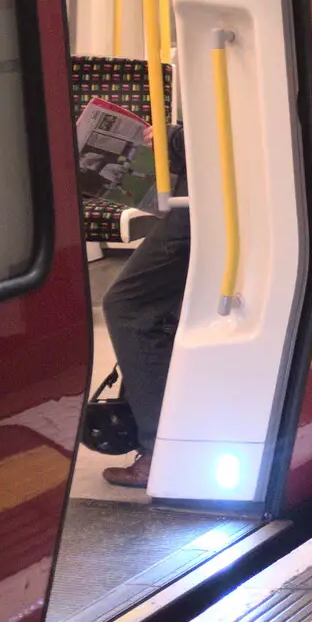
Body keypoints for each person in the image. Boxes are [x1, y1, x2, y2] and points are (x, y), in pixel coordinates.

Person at [102, 125, 190, 488]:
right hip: (207, 195)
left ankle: (164, 452)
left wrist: (172, 139)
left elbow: (229, 128)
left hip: (201, 205)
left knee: (127, 305)